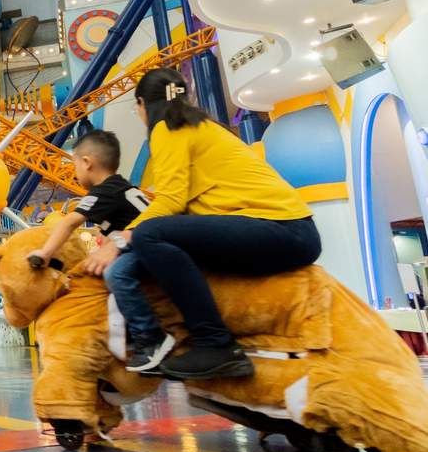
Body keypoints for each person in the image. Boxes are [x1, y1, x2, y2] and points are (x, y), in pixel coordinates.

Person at [80, 68, 320, 381]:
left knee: (150, 233)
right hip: (282, 229)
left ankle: (214, 342)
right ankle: (162, 341)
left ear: (142, 104)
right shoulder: (199, 126)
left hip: (280, 228)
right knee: (137, 253)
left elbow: (170, 201)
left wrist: (118, 242)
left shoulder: (167, 129)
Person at [28, 130, 168, 372]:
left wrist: (45, 252)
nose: (75, 173)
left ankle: (150, 338)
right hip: (149, 242)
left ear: (87, 163)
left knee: (116, 274)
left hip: (145, 245)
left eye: (75, 166)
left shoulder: (105, 191)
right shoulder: (121, 188)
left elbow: (68, 222)